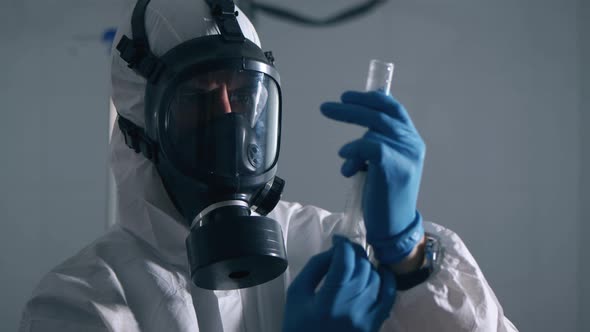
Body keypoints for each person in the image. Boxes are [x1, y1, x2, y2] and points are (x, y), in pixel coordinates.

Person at [19, 0, 518, 331]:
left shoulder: (332, 250)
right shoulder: (84, 300)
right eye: (197, 98)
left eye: (242, 95)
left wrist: (409, 257)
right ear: (139, 127)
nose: (230, 123)